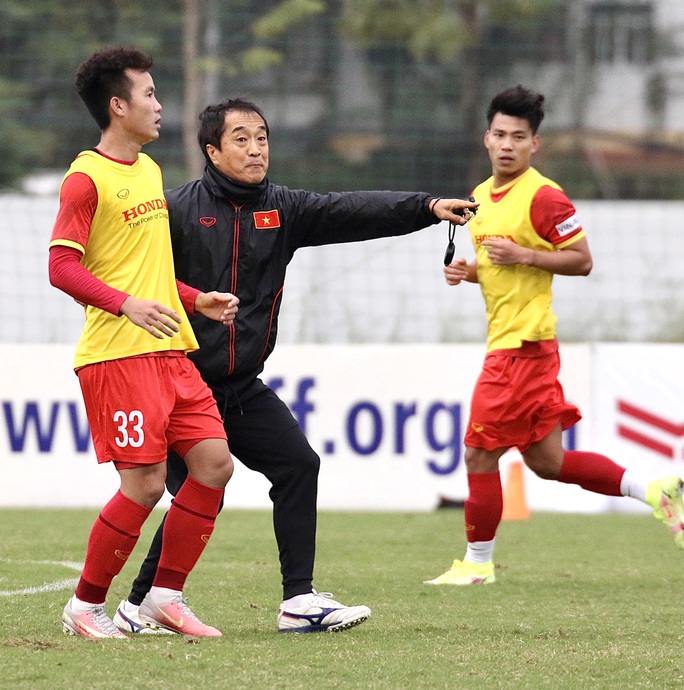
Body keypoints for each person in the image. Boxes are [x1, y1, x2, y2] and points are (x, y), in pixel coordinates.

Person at [111, 97, 478, 635]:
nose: (255, 148)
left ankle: (297, 601)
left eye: (261, 137)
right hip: (179, 382)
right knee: (197, 488)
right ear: (212, 151)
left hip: (240, 385)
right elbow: (129, 276)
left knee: (297, 464)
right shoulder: (175, 210)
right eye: (240, 139)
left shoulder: (283, 207)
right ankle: (138, 604)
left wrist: (425, 208)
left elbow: (353, 210)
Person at [424, 84, 684, 586]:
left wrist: (526, 255)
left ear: (534, 144)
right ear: (486, 138)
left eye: (518, 137)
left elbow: (582, 261)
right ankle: (654, 490)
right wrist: (470, 271)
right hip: (520, 345)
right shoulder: (479, 197)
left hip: (521, 348)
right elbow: (500, 265)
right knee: (547, 461)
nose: (507, 144)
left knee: (479, 452)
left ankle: (477, 565)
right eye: (499, 134)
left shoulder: (544, 196)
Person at [48, 46, 240, 638]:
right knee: (146, 483)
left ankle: (163, 597)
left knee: (213, 465)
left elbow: (141, 268)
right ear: (117, 106)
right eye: (150, 95)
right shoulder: (85, 179)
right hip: (117, 356)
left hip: (170, 351)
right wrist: (126, 304)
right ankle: (84, 607)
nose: (160, 105)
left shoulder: (151, 172)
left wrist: (192, 298)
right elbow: (61, 267)